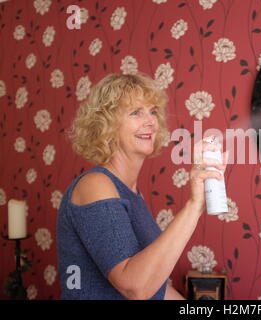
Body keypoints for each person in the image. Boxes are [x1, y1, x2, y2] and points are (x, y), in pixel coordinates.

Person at [57, 73, 226, 300]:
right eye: (136, 112)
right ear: (107, 123)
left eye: (153, 111)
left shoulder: (131, 193)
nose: (151, 121)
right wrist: (194, 205)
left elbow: (154, 285)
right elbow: (135, 287)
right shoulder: (96, 185)